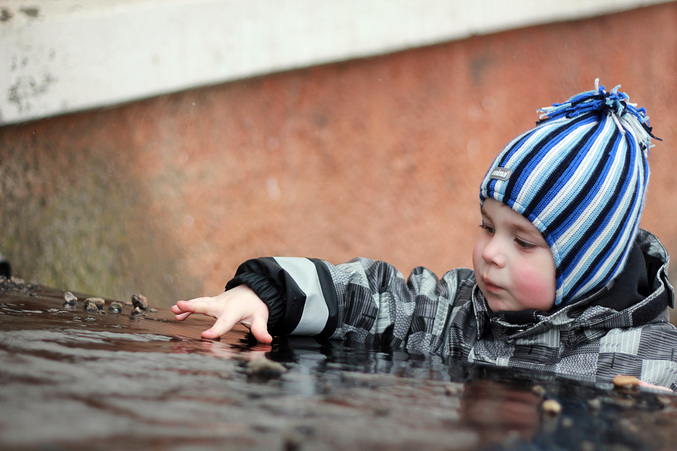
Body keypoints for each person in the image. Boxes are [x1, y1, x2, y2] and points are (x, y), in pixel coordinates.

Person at [172, 80, 677, 390]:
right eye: (487, 226)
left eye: (523, 242)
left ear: (588, 264)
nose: (491, 253)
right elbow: (371, 297)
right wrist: (269, 292)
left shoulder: (655, 366)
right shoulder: (458, 314)